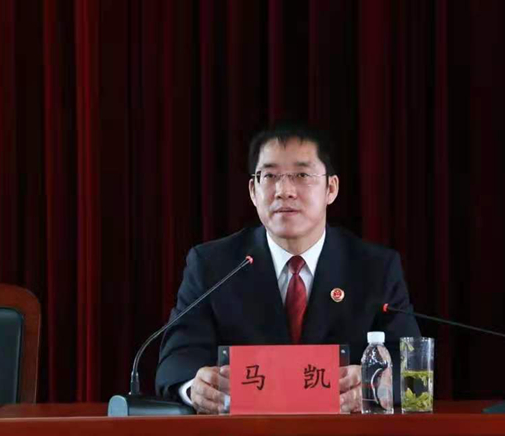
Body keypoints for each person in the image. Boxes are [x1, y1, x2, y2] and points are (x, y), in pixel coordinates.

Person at [155, 122, 420, 413]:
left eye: (302, 175)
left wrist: (376, 384)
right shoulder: (213, 265)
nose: (284, 191)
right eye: (270, 176)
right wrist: (194, 388)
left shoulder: (374, 268)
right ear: (253, 190)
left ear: (331, 188)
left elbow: (411, 368)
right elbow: (176, 360)